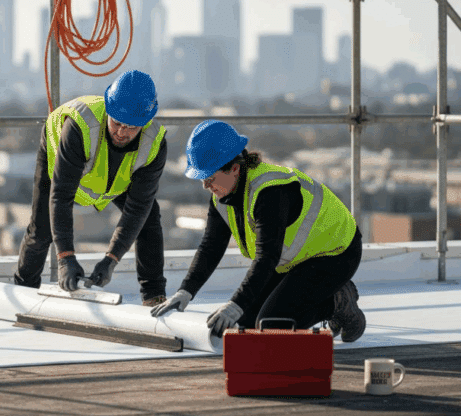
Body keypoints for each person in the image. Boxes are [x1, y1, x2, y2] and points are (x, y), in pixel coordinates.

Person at [150, 120, 366, 341]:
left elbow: (266, 257)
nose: (205, 186)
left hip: (335, 254)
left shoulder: (270, 192)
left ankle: (339, 301)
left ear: (234, 168)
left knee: (273, 324)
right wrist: (186, 291)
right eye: (202, 179)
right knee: (243, 324)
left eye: (210, 178)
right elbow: (210, 247)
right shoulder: (222, 196)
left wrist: (236, 303)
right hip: (295, 261)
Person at [13, 70, 169, 307]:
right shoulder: (79, 126)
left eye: (132, 127)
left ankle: (154, 295)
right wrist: (66, 258)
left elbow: (137, 209)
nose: (121, 132)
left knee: (149, 217)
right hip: (62, 164)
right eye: (117, 122)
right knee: (42, 228)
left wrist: (111, 260)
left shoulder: (155, 144)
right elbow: (62, 196)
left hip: (110, 179)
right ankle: (23, 291)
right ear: (108, 110)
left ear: (145, 121)